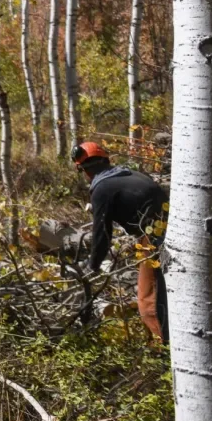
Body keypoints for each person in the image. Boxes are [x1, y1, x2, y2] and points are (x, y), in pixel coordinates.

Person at [73, 141, 169, 342]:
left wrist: (93, 266)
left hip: (154, 239)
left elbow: (102, 233)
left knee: (148, 303)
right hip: (175, 229)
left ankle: (167, 345)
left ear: (83, 170)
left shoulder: (101, 189)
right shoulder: (134, 175)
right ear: (107, 160)